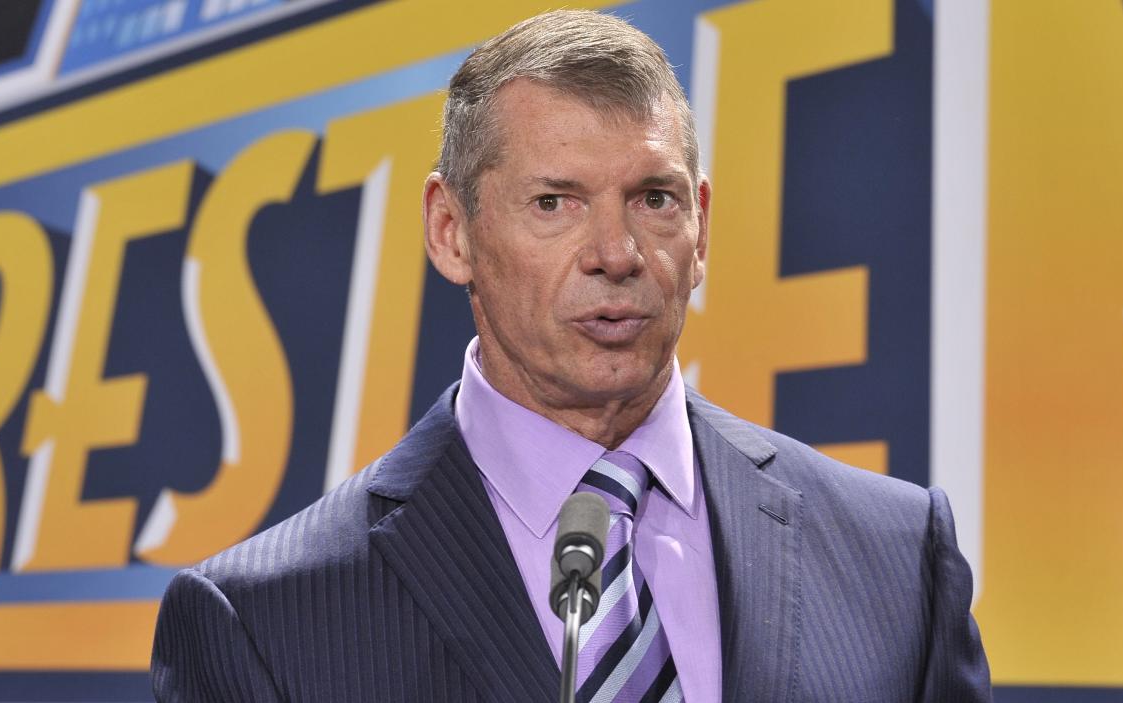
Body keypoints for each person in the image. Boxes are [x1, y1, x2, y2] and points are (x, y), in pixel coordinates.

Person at [151, 10, 991, 702]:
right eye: (554, 202)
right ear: (452, 231)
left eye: (653, 199)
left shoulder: (896, 555)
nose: (615, 251)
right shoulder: (263, 621)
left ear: (700, 227)